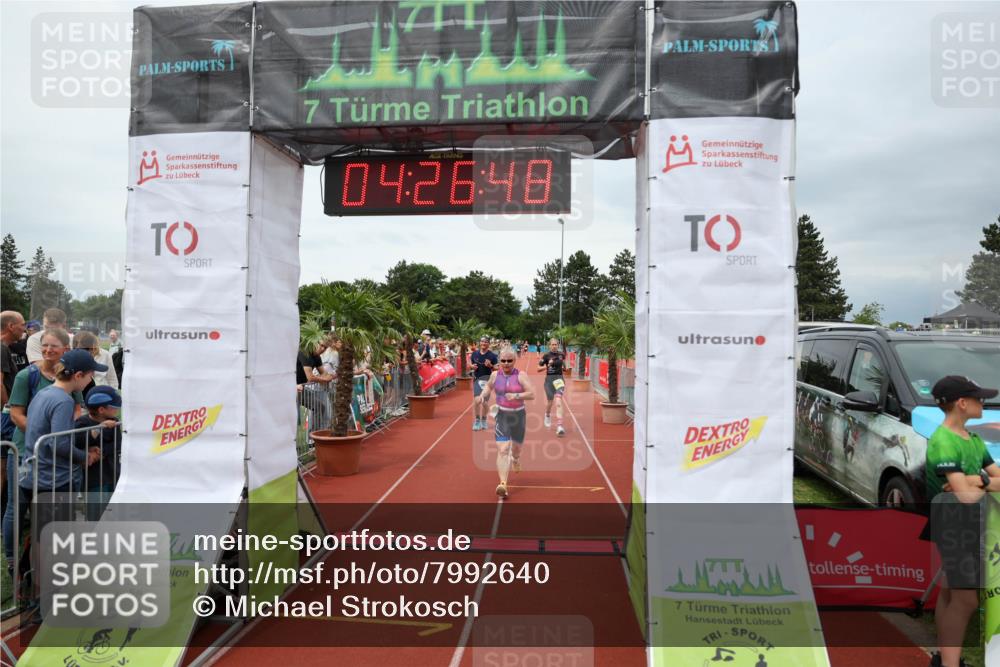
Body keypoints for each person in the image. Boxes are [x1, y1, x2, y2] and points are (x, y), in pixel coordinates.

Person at [925, 375, 999, 667]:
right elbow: (966, 497)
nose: (984, 402)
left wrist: (972, 479)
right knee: (966, 599)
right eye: (979, 398)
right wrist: (980, 484)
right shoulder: (943, 441)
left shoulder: (974, 439)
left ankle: (944, 659)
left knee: (950, 590)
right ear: (962, 403)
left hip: (968, 521)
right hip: (953, 521)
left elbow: (983, 484)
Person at [10, 350, 101, 573]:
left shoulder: (44, 393)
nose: (91, 381)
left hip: (33, 474)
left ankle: (29, 583)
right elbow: (58, 444)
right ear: (79, 375)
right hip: (53, 478)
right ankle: (43, 593)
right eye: (90, 376)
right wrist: (84, 457)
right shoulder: (63, 401)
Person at [2, 329, 84, 568]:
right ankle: (11, 559)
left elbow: (77, 408)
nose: (48, 350)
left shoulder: (68, 377)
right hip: (23, 449)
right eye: (45, 345)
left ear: (65, 350)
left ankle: (37, 566)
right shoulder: (26, 376)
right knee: (16, 508)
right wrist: (43, 433)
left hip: (51, 456)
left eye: (54, 346)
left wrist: (68, 425)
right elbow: (16, 414)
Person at [475, 347, 535, 499]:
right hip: (501, 415)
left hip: (518, 415)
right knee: (503, 449)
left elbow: (531, 394)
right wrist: (482, 396)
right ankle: (503, 484)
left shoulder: (521, 375)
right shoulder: (495, 375)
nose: (506, 364)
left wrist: (516, 395)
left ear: (515, 360)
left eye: (510, 361)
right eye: (503, 361)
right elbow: (488, 387)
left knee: (515, 449)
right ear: (499, 361)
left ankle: (515, 459)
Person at [73, 386, 122, 519]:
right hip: (93, 480)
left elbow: (117, 444)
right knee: (96, 516)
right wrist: (98, 429)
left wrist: (101, 453)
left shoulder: (114, 422)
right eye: (114, 407)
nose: (118, 410)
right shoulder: (82, 423)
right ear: (101, 410)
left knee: (113, 514)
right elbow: (78, 442)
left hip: (112, 474)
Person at [1, 311, 27, 523]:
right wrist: (8, 407)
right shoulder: (1, 348)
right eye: (22, 325)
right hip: (5, 415)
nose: (24, 329)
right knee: (3, 470)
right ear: (10, 326)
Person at [538, 338, 567, 436]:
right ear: (549, 345)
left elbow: (563, 362)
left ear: (558, 345)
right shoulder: (546, 356)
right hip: (549, 381)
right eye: (552, 344)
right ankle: (547, 414)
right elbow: (538, 369)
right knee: (550, 402)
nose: (554, 346)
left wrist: (564, 367)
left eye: (556, 344)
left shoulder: (561, 354)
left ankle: (560, 426)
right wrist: (547, 365)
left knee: (558, 400)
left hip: (559, 380)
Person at [469, 336, 498, 431]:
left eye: (486, 342)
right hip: (477, 380)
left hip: (488, 381)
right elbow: (470, 365)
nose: (483, 343)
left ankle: (484, 420)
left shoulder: (492, 356)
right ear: (479, 343)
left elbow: (497, 368)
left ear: (488, 344)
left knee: (484, 402)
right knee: (477, 400)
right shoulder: (474, 354)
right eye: (482, 341)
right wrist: (471, 367)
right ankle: (477, 420)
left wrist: (490, 365)